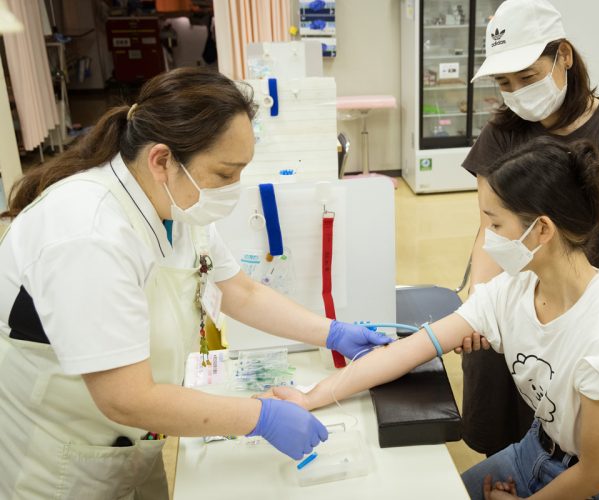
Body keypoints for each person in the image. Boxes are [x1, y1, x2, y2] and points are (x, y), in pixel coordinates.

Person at [0, 67, 391, 499]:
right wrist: (259, 417)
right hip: (60, 462)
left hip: (134, 439)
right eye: (224, 174)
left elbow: (241, 291)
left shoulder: (175, 204)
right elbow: (124, 397)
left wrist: (333, 333)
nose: (233, 189)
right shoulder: (86, 233)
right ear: (162, 159)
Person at [272, 137, 599, 499]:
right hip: (536, 449)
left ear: (541, 229)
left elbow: (596, 473)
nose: (488, 238)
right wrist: (312, 397)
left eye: (495, 224)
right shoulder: (515, 289)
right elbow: (411, 350)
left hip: (598, 487)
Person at [458, 0, 599, 458]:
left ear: (563, 55)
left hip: (577, 304)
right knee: (503, 436)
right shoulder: (501, 133)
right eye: (505, 84)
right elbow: (491, 229)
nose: (518, 92)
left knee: (572, 436)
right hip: (512, 303)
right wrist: (480, 300)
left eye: (528, 78)